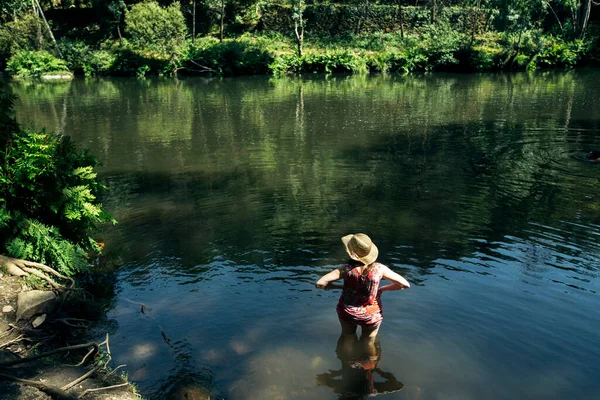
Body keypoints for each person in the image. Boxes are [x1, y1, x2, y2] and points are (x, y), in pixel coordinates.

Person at [316, 233, 410, 340]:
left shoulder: (345, 269)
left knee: (347, 337)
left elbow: (320, 283)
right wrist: (382, 289)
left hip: (347, 311)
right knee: (369, 341)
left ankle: (346, 356)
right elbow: (405, 284)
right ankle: (368, 357)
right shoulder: (379, 269)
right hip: (371, 315)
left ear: (351, 253)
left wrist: (342, 287)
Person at [316, 334, 404, 399]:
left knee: (366, 336)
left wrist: (379, 372)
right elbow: (320, 379)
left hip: (368, 358)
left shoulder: (368, 391)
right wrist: (339, 372)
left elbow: (398, 386)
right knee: (353, 334)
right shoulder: (342, 388)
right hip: (348, 355)